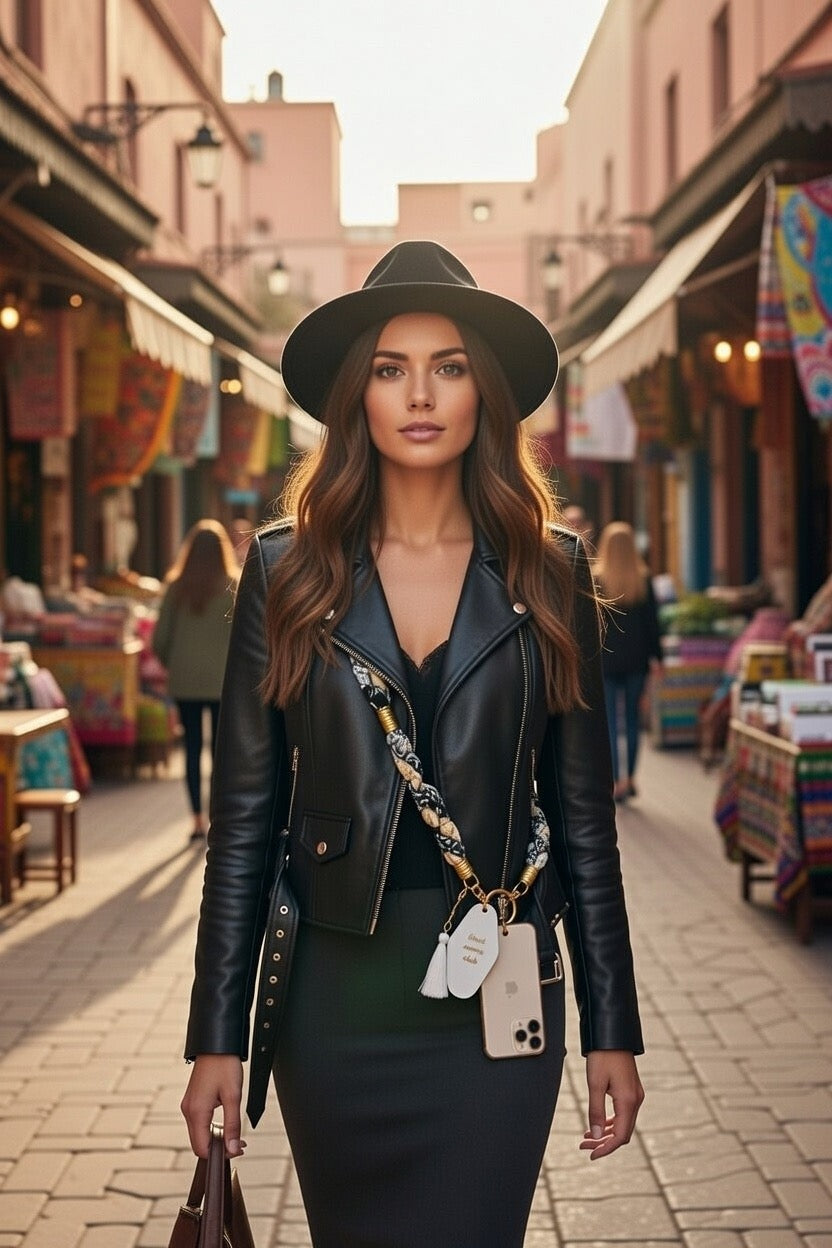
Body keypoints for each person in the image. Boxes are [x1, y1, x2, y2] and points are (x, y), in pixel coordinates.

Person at [180, 242, 644, 1248]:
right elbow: (244, 829)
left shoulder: (548, 569)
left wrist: (616, 1026)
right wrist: (216, 1038)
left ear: (485, 392)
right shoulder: (283, 572)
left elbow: (585, 829)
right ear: (358, 397)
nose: (419, 394)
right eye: (390, 368)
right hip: (332, 999)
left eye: (449, 366)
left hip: (501, 999)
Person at [152, 520, 239, 840]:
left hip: (185, 680)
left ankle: (196, 820)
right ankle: (218, 819)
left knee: (190, 749)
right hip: (223, 682)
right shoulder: (234, 585)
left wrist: (172, 663)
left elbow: (160, 638)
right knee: (220, 751)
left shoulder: (177, 586)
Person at [593, 521, 663, 801]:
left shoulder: (597, 579)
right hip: (637, 661)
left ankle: (614, 783)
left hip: (606, 661)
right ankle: (630, 779)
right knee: (633, 721)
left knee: (609, 722)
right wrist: (657, 657)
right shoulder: (643, 579)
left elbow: (590, 625)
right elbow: (652, 624)